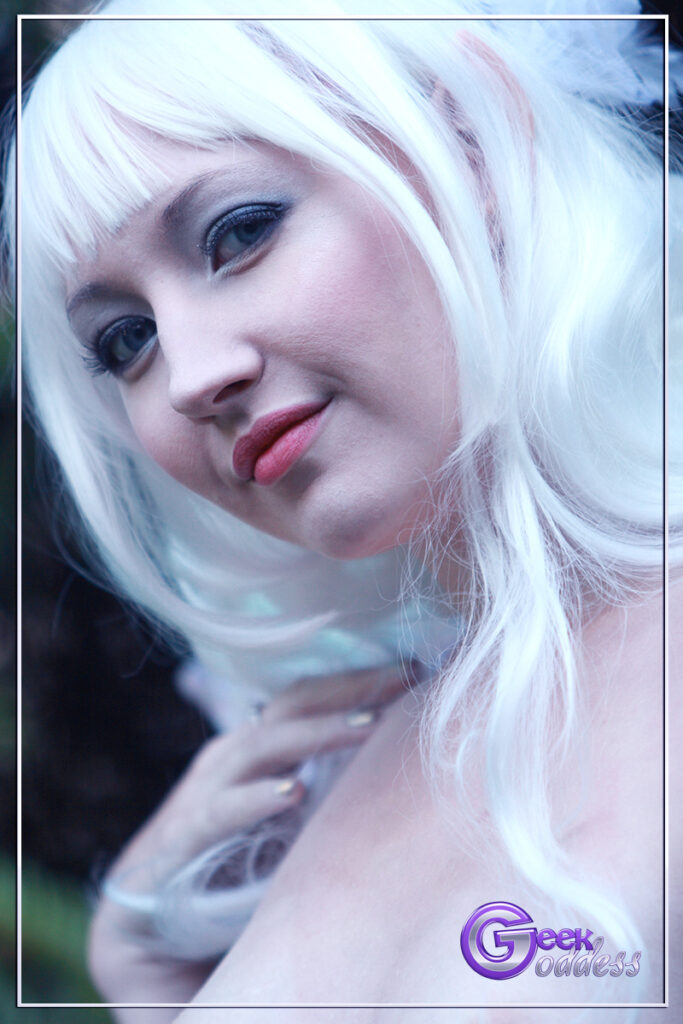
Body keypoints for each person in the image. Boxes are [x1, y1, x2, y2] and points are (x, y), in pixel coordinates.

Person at [5, 0, 682, 1019]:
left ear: (472, 140)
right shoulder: (336, 769)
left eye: (239, 232)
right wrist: (150, 983)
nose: (189, 376)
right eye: (125, 340)